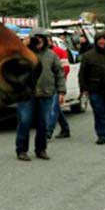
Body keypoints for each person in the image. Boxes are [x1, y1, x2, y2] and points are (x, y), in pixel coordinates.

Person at [15, 29, 65, 161]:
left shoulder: (51, 55)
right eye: (36, 38)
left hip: (46, 93)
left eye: (42, 38)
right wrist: (23, 47)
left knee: (44, 123)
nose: (39, 40)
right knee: (24, 122)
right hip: (26, 95)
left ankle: (41, 149)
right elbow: (14, 67)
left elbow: (59, 72)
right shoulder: (24, 53)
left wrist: (61, 91)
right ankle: (21, 150)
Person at [47, 40, 72, 139]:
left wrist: (60, 81)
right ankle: (65, 129)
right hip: (47, 85)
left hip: (57, 84)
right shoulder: (40, 53)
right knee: (56, 107)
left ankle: (48, 131)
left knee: (53, 108)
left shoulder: (60, 52)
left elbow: (66, 68)